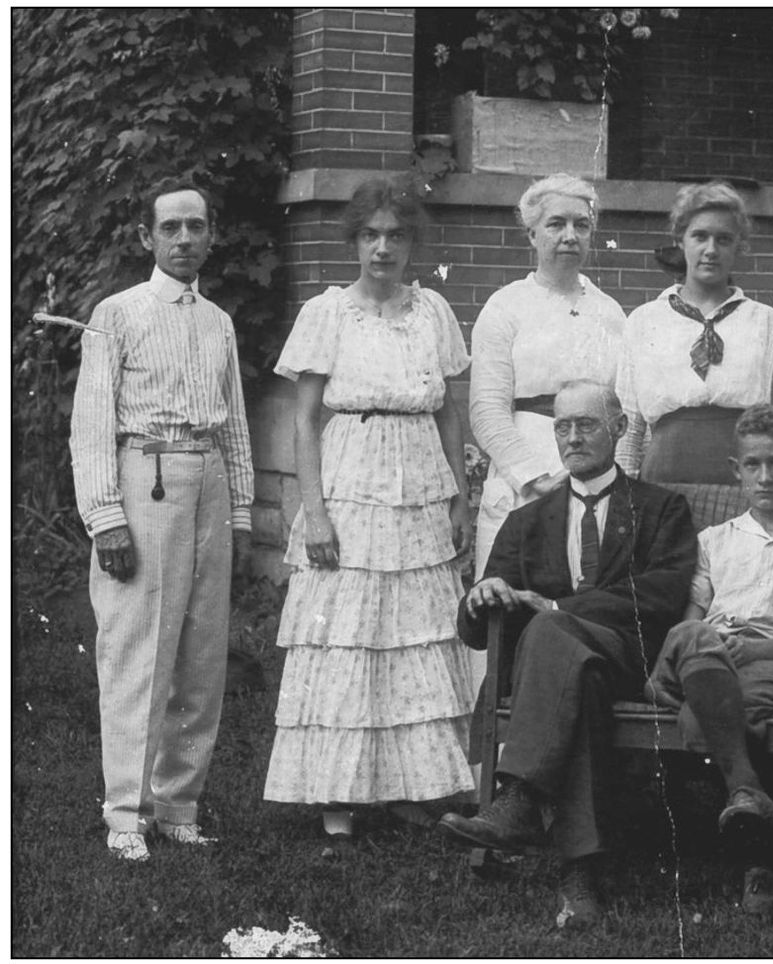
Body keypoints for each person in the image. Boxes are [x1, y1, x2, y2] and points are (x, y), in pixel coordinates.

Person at [438, 379, 697, 930]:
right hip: (567, 675)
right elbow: (479, 632)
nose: (572, 437)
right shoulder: (527, 521)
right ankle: (578, 877)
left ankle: (519, 799)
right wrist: (481, 598)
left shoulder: (660, 508)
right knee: (569, 666)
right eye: (562, 426)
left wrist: (554, 604)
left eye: (587, 425)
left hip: (630, 661)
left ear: (620, 429)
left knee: (553, 629)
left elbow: (660, 597)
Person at [264, 176, 477, 842]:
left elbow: (449, 414)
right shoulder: (328, 312)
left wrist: (458, 497)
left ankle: (408, 787)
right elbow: (303, 424)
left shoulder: (433, 311)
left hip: (418, 477)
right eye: (370, 235)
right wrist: (316, 513)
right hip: (351, 474)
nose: (382, 247)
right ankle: (338, 796)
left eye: (396, 235)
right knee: (347, 633)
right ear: (353, 240)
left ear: (413, 241)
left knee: (412, 631)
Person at [70, 177, 255, 861]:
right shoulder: (114, 314)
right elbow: (90, 425)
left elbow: (234, 424)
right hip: (143, 480)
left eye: (196, 227)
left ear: (211, 236)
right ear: (147, 237)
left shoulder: (218, 322)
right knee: (137, 649)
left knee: (201, 654)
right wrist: (105, 519)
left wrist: (238, 510)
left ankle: (179, 802)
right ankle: (126, 813)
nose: (184, 239)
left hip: (206, 477)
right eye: (170, 228)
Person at [644, 403, 773, 916]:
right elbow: (690, 622)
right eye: (753, 465)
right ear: (735, 470)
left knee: (700, 715)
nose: (765, 476)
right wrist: (708, 645)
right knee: (695, 636)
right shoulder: (714, 540)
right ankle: (759, 840)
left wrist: (749, 649)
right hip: (704, 654)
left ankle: (753, 834)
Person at [470, 173, 627, 582]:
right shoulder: (505, 307)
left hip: (593, 480)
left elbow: (623, 407)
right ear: (532, 235)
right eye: (556, 224)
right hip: (523, 481)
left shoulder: (610, 312)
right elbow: (487, 411)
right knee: (507, 603)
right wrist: (534, 479)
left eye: (582, 225)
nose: (570, 236)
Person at [615, 181, 773, 482]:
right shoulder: (644, 321)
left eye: (724, 239)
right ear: (680, 239)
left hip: (745, 473)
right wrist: (626, 493)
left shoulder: (764, 321)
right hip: (664, 472)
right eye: (700, 236)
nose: (711, 250)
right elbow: (630, 423)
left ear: (739, 245)